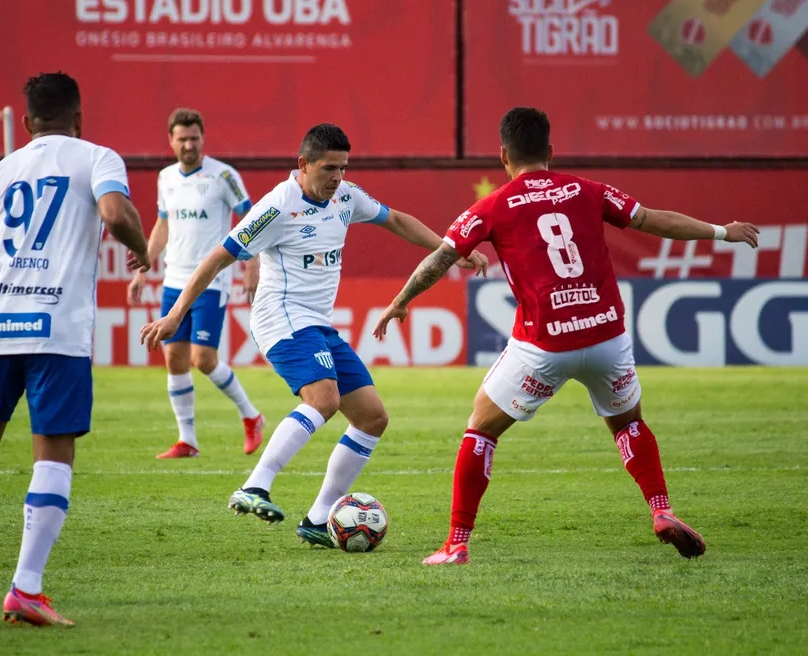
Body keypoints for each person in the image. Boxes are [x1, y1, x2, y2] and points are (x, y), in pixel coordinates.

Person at [373, 107, 760, 565]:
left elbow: (440, 258)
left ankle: (456, 543)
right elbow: (654, 220)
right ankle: (661, 511)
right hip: (605, 338)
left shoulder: (493, 205)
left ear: (503, 156)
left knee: (481, 429)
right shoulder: (588, 190)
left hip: (545, 346)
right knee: (629, 423)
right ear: (550, 152)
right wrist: (723, 231)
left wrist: (401, 299)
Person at [140, 123, 488, 547]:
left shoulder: (345, 196)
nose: (337, 177)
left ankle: (319, 517)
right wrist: (176, 314)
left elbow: (395, 218)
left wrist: (451, 250)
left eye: (343, 168)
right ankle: (254, 486)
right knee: (324, 400)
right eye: (328, 168)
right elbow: (218, 257)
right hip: (279, 317)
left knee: (372, 417)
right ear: (303, 164)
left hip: (317, 324)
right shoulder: (276, 206)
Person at [0, 72, 150, 625]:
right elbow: (116, 216)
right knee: (54, 455)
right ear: (79, 116)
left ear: (26, 122)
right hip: (57, 333)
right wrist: (141, 249)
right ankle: (26, 588)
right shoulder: (98, 157)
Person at [129, 108, 264, 459]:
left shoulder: (224, 176)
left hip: (212, 281)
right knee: (174, 358)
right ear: (171, 141)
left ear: (203, 138)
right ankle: (187, 440)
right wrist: (144, 265)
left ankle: (251, 416)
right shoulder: (166, 178)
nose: (189, 145)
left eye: (194, 138)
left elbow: (250, 219)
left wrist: (251, 265)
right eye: (182, 139)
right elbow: (163, 225)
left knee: (203, 359)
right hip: (174, 279)